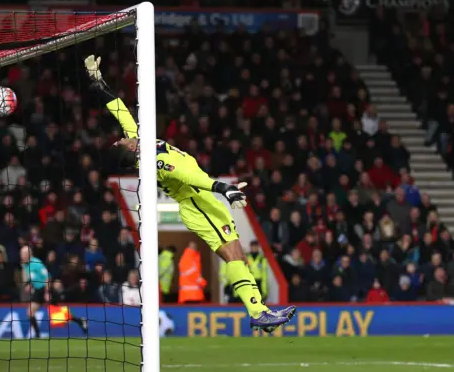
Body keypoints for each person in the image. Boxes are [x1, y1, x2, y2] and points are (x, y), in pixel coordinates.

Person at [84, 55, 295, 331]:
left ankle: (259, 311)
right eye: (123, 140)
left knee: (238, 257)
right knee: (234, 256)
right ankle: (257, 312)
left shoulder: (141, 141)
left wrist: (97, 80)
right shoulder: (154, 162)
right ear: (131, 149)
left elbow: (119, 110)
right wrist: (224, 188)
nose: (123, 135)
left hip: (203, 200)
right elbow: (189, 176)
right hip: (197, 202)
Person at [20, 246, 88, 337]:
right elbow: (35, 277)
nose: (21, 256)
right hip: (38, 291)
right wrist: (30, 284)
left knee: (58, 315)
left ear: (29, 254)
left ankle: (80, 321)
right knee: (30, 312)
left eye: (23, 254)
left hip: (46, 289)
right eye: (21, 254)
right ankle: (37, 335)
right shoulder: (25, 265)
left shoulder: (36, 263)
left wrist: (47, 292)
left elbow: (47, 277)